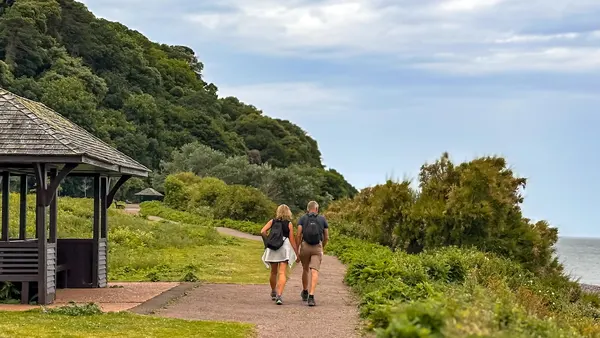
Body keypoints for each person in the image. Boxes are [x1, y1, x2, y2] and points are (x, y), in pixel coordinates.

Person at [261, 204, 299, 305]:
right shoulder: (289, 224)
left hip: (273, 247)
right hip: (284, 248)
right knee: (282, 272)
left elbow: (263, 231)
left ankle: (273, 291)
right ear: (288, 212)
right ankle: (279, 295)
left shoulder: (272, 221)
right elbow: (292, 240)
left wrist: (268, 241)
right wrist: (296, 252)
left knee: (273, 272)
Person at [296, 200, 329, 307]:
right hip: (317, 247)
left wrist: (298, 248)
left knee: (305, 269)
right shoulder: (322, 219)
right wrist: (322, 246)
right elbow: (326, 236)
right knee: (314, 271)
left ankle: (305, 291)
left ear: (307, 209)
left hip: (305, 246)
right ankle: (311, 296)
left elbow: (298, 234)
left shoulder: (303, 218)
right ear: (317, 209)